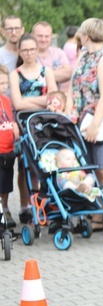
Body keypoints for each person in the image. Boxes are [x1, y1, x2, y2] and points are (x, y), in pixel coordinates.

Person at [66, 18, 103, 220]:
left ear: (86, 35)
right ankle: (96, 216)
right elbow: (73, 88)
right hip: (82, 121)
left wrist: (95, 125)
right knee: (89, 170)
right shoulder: (84, 56)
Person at [10, 34, 58, 223]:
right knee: (25, 166)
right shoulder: (16, 74)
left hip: (45, 123)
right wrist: (42, 101)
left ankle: (48, 202)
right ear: (20, 52)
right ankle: (26, 206)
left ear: (37, 50)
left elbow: (53, 97)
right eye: (25, 50)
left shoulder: (47, 71)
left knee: (47, 161)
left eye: (32, 49)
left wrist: (28, 100)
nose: (29, 53)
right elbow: (17, 104)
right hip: (24, 123)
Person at [0, 65, 19, 229]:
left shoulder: (6, 100)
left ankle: (5, 208)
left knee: (6, 184)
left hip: (8, 150)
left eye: (6, 83)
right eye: (0, 83)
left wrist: (14, 125)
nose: (4, 87)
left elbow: (10, 118)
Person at [32, 22, 73, 92]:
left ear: (51, 36)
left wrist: (40, 75)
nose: (43, 39)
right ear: (32, 35)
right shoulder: (27, 53)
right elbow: (28, 76)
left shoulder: (58, 53)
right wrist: (55, 73)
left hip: (54, 100)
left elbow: (68, 73)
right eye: (40, 36)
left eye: (47, 36)